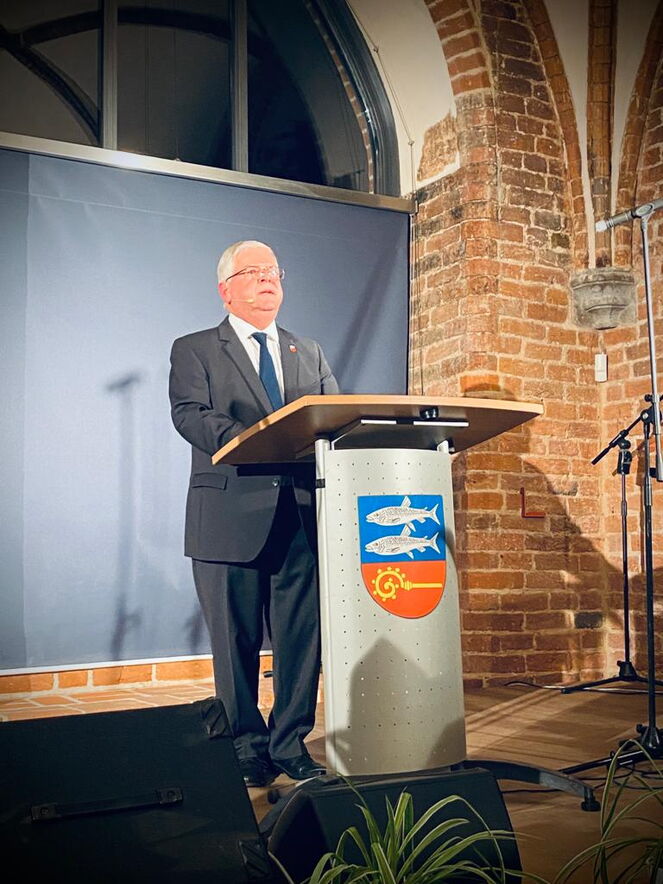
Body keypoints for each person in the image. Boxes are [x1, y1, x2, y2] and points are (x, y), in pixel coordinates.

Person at [169, 240, 339, 788]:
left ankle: (290, 743)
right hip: (228, 515)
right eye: (253, 271)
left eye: (273, 271)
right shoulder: (195, 348)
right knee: (234, 641)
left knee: (301, 641)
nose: (268, 278)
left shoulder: (307, 351)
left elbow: (334, 419)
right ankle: (246, 746)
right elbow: (189, 414)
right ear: (226, 290)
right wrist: (253, 439)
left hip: (301, 517)